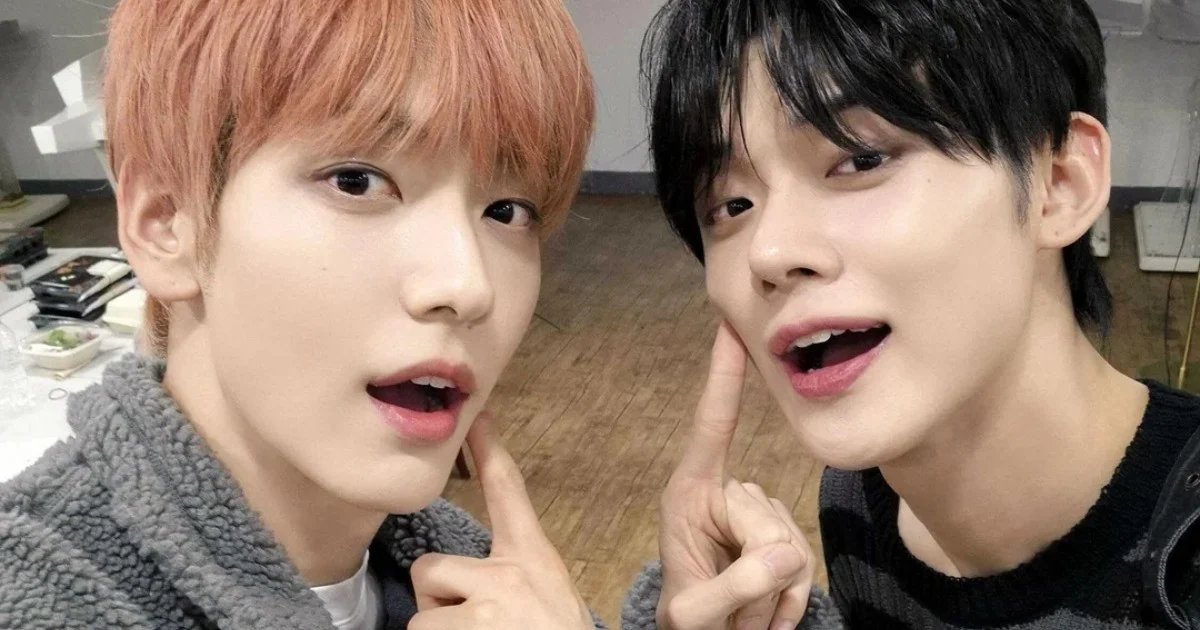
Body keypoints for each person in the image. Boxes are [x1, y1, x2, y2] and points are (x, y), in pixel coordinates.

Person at [0, 1, 600, 628]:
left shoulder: (485, 576)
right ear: (164, 224)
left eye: (507, 211)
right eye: (356, 181)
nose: (469, 285)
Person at [627, 0, 1200, 628]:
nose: (769, 252)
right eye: (731, 205)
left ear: (1060, 183)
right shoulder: (858, 500)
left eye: (860, 158)